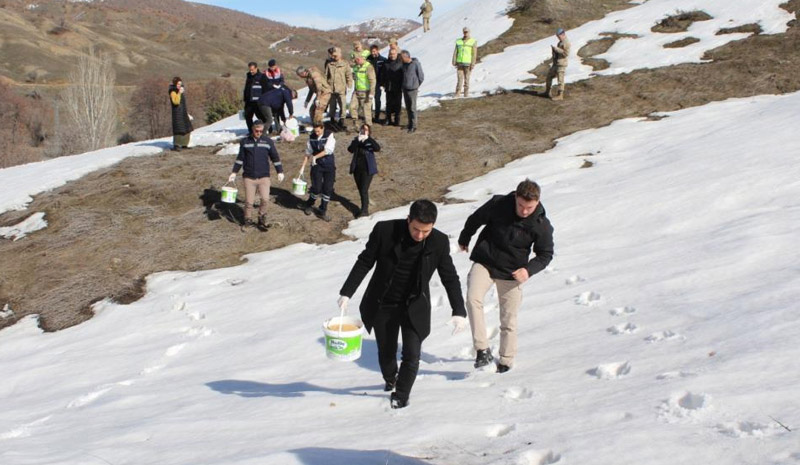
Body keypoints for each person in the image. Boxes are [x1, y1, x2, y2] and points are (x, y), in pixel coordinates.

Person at [338, 200, 467, 409]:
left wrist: (459, 310)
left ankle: (401, 395)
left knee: (412, 355)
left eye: (426, 231)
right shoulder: (385, 231)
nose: (420, 235)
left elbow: (450, 277)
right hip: (384, 303)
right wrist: (347, 292)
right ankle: (391, 379)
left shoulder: (439, 242)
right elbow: (365, 261)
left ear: (433, 226)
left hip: (414, 306)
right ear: (408, 220)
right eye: (416, 229)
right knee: (386, 352)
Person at [457, 180, 554, 373]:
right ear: (515, 197)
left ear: (537, 202)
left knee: (508, 320)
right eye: (521, 205)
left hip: (512, 273)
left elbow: (545, 254)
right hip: (485, 261)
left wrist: (528, 270)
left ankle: (506, 361)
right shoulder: (498, 204)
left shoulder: (541, 225)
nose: (524, 211)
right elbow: (475, 218)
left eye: (529, 207)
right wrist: (464, 237)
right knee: (473, 299)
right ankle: (482, 350)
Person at [227, 121, 285, 231]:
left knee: (265, 199)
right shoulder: (245, 142)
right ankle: (247, 221)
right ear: (252, 130)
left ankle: (261, 219)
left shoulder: (268, 142)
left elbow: (275, 157)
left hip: (264, 177)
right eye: (256, 131)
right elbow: (240, 159)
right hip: (249, 177)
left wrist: (280, 171)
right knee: (249, 202)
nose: (259, 133)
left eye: (261, 131)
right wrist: (234, 172)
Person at [301, 123, 336, 221]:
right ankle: (309, 204)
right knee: (316, 188)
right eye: (315, 131)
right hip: (317, 166)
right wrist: (302, 167)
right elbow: (308, 153)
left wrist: (315, 157)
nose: (316, 133)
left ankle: (322, 210)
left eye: (318, 131)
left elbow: (328, 150)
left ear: (322, 128)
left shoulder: (329, 135)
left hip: (329, 165)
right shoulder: (312, 138)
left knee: (327, 188)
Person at [347, 123, 380, 218]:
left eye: (366, 129)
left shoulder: (370, 141)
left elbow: (377, 148)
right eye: (362, 129)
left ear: (369, 131)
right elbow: (350, 149)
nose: (364, 131)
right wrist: (358, 140)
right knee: (360, 189)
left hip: (368, 169)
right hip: (357, 169)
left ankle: (364, 210)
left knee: (364, 189)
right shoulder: (356, 140)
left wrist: (368, 138)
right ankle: (366, 203)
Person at [325, 47, 353, 128]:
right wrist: (326, 87)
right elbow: (326, 76)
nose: (334, 57)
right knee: (332, 105)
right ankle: (332, 120)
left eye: (335, 56)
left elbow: (348, 75)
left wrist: (349, 85)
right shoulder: (329, 64)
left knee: (342, 105)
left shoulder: (345, 64)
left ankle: (342, 120)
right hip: (331, 88)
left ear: (340, 55)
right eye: (333, 56)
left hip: (341, 88)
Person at [349, 55, 376, 126]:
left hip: (366, 92)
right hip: (357, 91)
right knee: (352, 107)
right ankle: (356, 124)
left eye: (358, 59)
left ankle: (368, 126)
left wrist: (371, 93)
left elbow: (373, 81)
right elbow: (354, 76)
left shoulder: (368, 67)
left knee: (366, 111)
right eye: (356, 59)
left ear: (363, 58)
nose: (356, 61)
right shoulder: (356, 67)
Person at [401, 50, 424, 133]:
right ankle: (409, 123)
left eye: (402, 57)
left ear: (407, 57)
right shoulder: (403, 65)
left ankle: (414, 126)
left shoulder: (415, 64)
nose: (401, 59)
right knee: (408, 107)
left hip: (413, 89)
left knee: (412, 108)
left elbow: (421, 76)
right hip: (405, 88)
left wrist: (416, 85)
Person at [545, 28, 570, 100]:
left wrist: (556, 49)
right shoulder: (560, 42)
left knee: (560, 80)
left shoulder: (566, 42)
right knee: (549, 76)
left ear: (563, 34)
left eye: (559, 36)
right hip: (556, 63)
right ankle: (547, 92)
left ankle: (560, 95)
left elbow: (566, 53)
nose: (558, 38)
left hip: (561, 64)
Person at [169, 76, 193, 151]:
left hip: (183, 112)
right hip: (177, 113)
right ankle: (176, 145)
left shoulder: (180, 91)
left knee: (187, 128)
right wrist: (179, 93)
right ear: (175, 84)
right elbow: (176, 102)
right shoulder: (173, 92)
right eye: (178, 84)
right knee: (178, 129)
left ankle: (184, 144)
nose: (180, 85)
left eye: (180, 84)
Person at [243, 62, 268, 133]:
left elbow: (265, 89)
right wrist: (245, 98)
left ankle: (266, 130)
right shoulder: (248, 76)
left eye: (252, 70)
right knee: (248, 116)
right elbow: (247, 88)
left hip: (258, 102)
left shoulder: (262, 76)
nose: (251, 71)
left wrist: (264, 100)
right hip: (249, 101)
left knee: (261, 116)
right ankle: (251, 132)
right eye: (250, 70)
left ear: (256, 68)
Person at [453, 27, 477, 98]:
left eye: (466, 32)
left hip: (468, 63)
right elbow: (455, 52)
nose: (465, 33)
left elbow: (474, 53)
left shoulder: (473, 41)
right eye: (464, 32)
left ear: (469, 32)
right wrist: (454, 60)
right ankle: (457, 93)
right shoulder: (458, 41)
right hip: (459, 63)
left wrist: (473, 63)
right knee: (459, 79)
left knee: (467, 79)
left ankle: (466, 94)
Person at [382, 48, 404, 126]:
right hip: (389, 87)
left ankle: (397, 120)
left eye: (394, 54)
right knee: (388, 104)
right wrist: (383, 84)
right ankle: (388, 119)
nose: (392, 55)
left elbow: (403, 75)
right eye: (391, 54)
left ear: (397, 54)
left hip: (398, 87)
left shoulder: (401, 63)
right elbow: (383, 74)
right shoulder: (386, 63)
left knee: (398, 104)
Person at [367, 45, 387, 123]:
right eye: (372, 51)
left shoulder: (383, 60)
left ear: (377, 51)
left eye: (374, 51)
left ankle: (377, 116)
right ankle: (369, 116)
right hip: (369, 82)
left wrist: (383, 83)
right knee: (369, 100)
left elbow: (384, 73)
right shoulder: (368, 59)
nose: (373, 53)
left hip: (378, 83)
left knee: (377, 100)